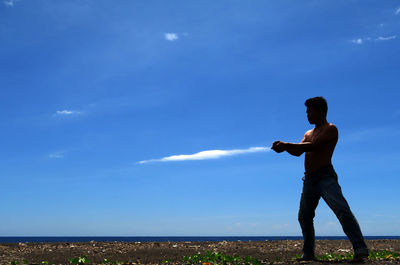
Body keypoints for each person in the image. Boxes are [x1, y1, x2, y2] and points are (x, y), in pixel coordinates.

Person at [271, 97, 369, 263]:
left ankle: (360, 249)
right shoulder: (308, 133)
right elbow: (298, 152)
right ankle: (308, 254)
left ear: (321, 111)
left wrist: (286, 145)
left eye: (310, 111)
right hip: (309, 179)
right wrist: (283, 148)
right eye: (306, 112)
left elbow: (314, 146)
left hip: (325, 177)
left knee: (342, 210)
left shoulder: (331, 129)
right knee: (304, 216)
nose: (307, 115)